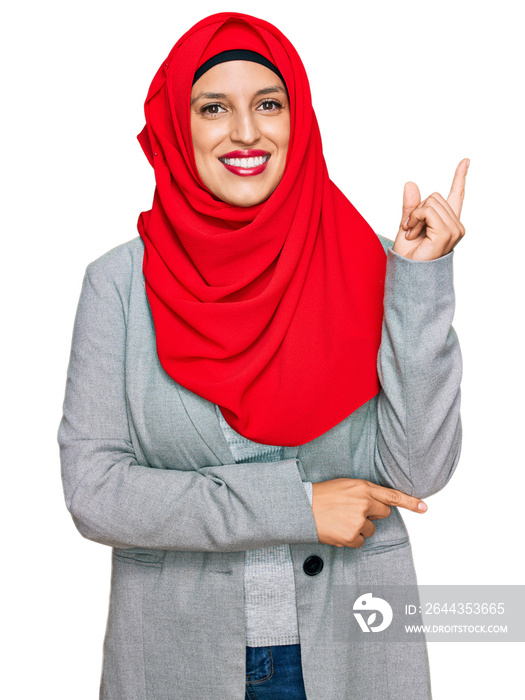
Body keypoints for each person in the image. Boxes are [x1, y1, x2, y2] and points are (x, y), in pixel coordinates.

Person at [58, 11, 467, 700]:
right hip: (177, 654)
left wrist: (417, 283)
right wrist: (295, 506)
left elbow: (415, 469)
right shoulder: (119, 285)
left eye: (268, 105)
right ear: (174, 127)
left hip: (353, 651)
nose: (245, 132)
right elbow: (94, 492)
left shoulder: (364, 265)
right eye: (213, 107)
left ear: (296, 118)